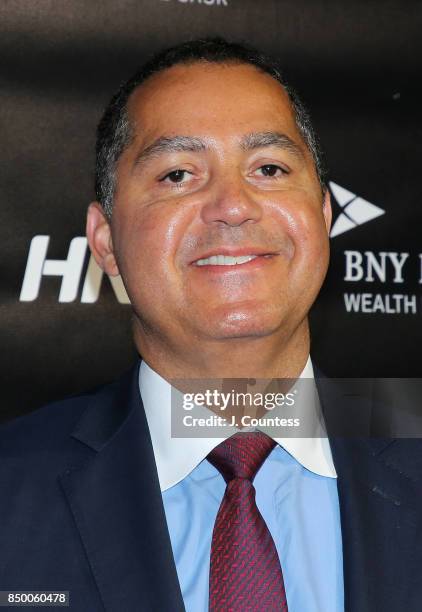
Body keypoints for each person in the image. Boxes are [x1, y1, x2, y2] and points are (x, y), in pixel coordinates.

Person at [1, 38, 421, 612]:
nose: (232, 204)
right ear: (104, 242)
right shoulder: (11, 488)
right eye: (177, 174)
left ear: (323, 217)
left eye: (269, 168)